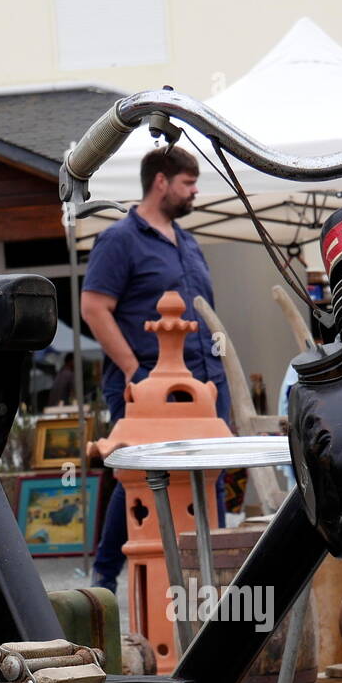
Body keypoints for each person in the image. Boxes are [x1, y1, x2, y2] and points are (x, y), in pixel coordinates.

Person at [80, 145, 229, 593]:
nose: (195, 192)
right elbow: (93, 308)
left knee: (212, 473)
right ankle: (105, 579)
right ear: (160, 182)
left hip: (200, 384)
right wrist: (133, 371)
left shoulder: (188, 241)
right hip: (145, 385)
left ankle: (211, 577)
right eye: (188, 183)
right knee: (139, 479)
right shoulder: (119, 239)